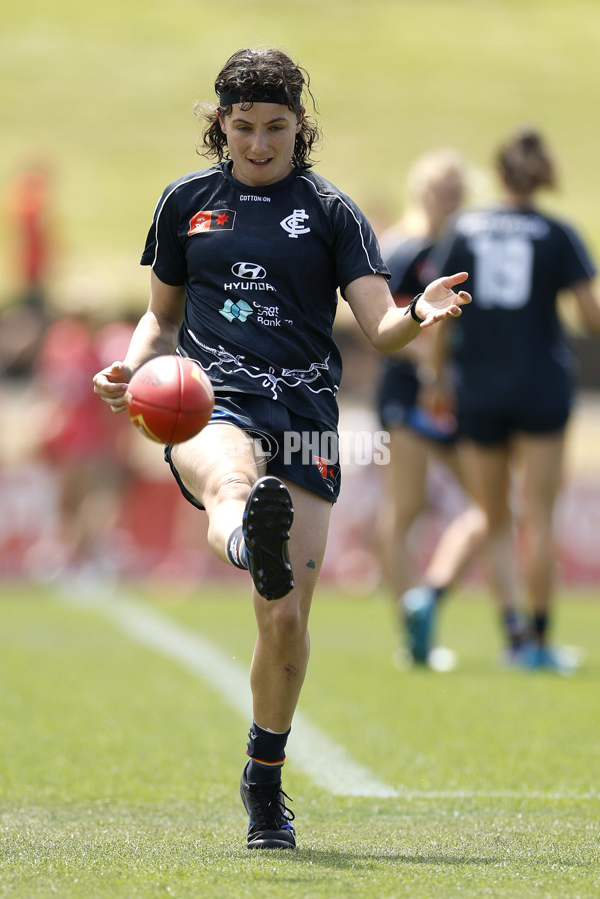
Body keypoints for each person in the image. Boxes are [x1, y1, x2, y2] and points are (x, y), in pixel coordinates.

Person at [93, 47, 471, 849]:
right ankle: (240, 534)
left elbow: (380, 328)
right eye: (243, 128)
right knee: (229, 474)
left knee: (287, 623)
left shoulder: (331, 212)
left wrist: (420, 313)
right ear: (219, 127)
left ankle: (263, 780)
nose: (259, 144)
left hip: (303, 416)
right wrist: (135, 361)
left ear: (301, 125)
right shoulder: (185, 204)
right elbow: (160, 317)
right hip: (206, 397)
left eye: (275, 128)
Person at [401, 127, 600, 672]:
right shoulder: (559, 233)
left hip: (480, 389)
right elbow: (591, 316)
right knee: (539, 515)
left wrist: (437, 381)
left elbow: (440, 313)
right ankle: (536, 642)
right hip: (541, 387)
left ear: (500, 173)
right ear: (541, 175)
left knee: (493, 517)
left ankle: (511, 633)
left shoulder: (466, 227)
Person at [374, 150, 488, 667]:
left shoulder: (465, 246)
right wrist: (429, 358)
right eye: (441, 190)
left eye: (457, 191)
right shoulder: (402, 247)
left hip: (456, 394)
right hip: (410, 391)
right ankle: (410, 632)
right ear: (421, 192)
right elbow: (375, 319)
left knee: (493, 508)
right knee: (407, 509)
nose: (449, 201)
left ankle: (434, 602)